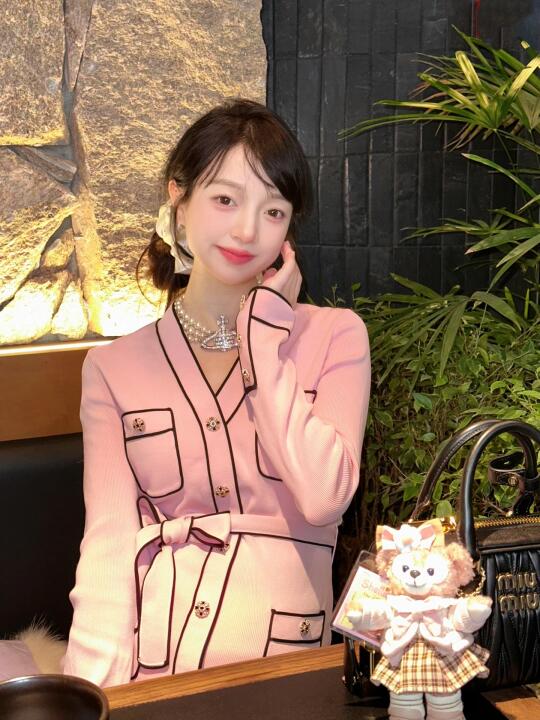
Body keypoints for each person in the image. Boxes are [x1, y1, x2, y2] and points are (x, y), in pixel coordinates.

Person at [63, 98, 371, 688]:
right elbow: (107, 548)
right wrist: (92, 696)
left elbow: (324, 499)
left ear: (289, 232)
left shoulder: (336, 336)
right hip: (159, 670)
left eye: (273, 211)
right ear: (179, 202)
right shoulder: (111, 367)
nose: (247, 230)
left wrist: (264, 339)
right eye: (225, 200)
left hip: (285, 674)